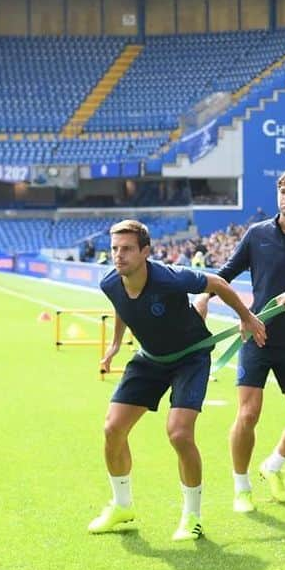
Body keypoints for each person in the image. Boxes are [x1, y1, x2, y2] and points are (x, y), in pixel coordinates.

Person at [90, 220, 267, 540]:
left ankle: (192, 516)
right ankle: (122, 505)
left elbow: (216, 282)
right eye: (115, 249)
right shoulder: (110, 282)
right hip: (150, 360)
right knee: (112, 428)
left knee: (179, 433)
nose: (118, 255)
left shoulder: (169, 278)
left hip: (190, 359)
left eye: (127, 249)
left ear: (145, 251)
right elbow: (122, 305)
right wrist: (116, 344)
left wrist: (247, 317)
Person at [195, 169, 285, 513]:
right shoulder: (257, 234)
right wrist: (203, 296)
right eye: (283, 191)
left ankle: (273, 465)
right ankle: (241, 488)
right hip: (256, 335)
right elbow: (225, 274)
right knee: (248, 414)